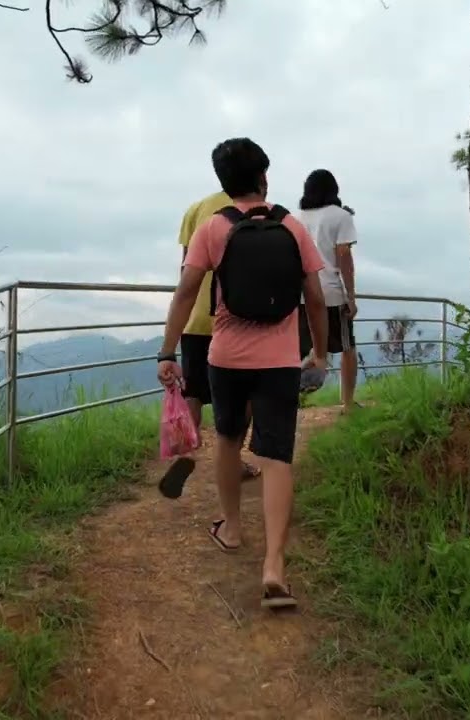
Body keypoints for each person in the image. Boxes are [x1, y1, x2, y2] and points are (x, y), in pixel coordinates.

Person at [156, 137, 329, 609]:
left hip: (225, 357)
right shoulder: (291, 225)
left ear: (223, 183)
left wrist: (167, 351)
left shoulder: (213, 228)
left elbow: (186, 292)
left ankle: (231, 530)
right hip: (279, 362)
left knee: (229, 441)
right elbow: (314, 296)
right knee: (277, 458)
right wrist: (319, 354)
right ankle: (274, 565)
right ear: (264, 177)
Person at [173, 192, 261, 482]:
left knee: (193, 393)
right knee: (243, 395)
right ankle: (232, 461)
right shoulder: (257, 210)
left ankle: (185, 456)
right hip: (237, 319)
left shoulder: (196, 209)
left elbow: (187, 268)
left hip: (196, 317)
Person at [296, 169, 360, 412]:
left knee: (299, 350)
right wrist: (351, 297)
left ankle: (293, 402)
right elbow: (344, 257)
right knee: (347, 347)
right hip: (330, 293)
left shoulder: (297, 218)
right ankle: (347, 402)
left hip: (301, 294)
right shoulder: (341, 216)